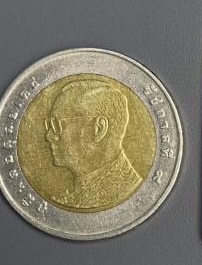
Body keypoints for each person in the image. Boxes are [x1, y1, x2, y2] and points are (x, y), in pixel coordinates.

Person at [44, 79, 141, 210]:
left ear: (99, 129)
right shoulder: (74, 195)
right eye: (50, 124)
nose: (49, 136)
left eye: (57, 124)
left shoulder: (124, 190)